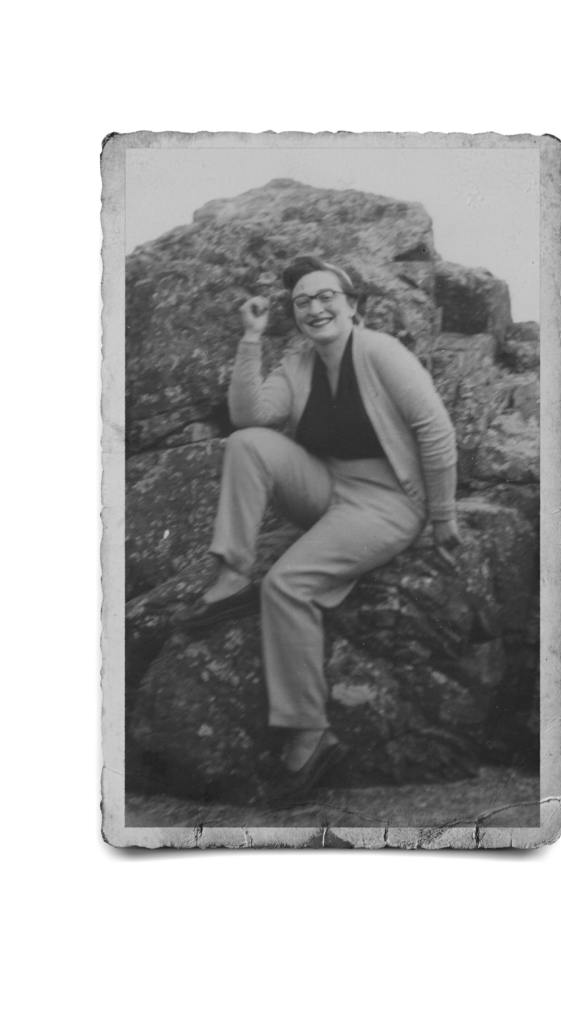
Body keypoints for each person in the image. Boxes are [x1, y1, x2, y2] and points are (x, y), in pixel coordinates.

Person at [172, 255, 460, 807]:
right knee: (247, 445)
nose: (315, 307)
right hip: (327, 486)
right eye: (303, 301)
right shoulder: (298, 363)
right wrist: (252, 338)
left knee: (286, 585)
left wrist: (443, 515)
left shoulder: (380, 352)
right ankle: (231, 574)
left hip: (387, 501)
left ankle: (310, 733)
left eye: (326, 296)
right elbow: (249, 415)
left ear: (352, 305)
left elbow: (436, 431)